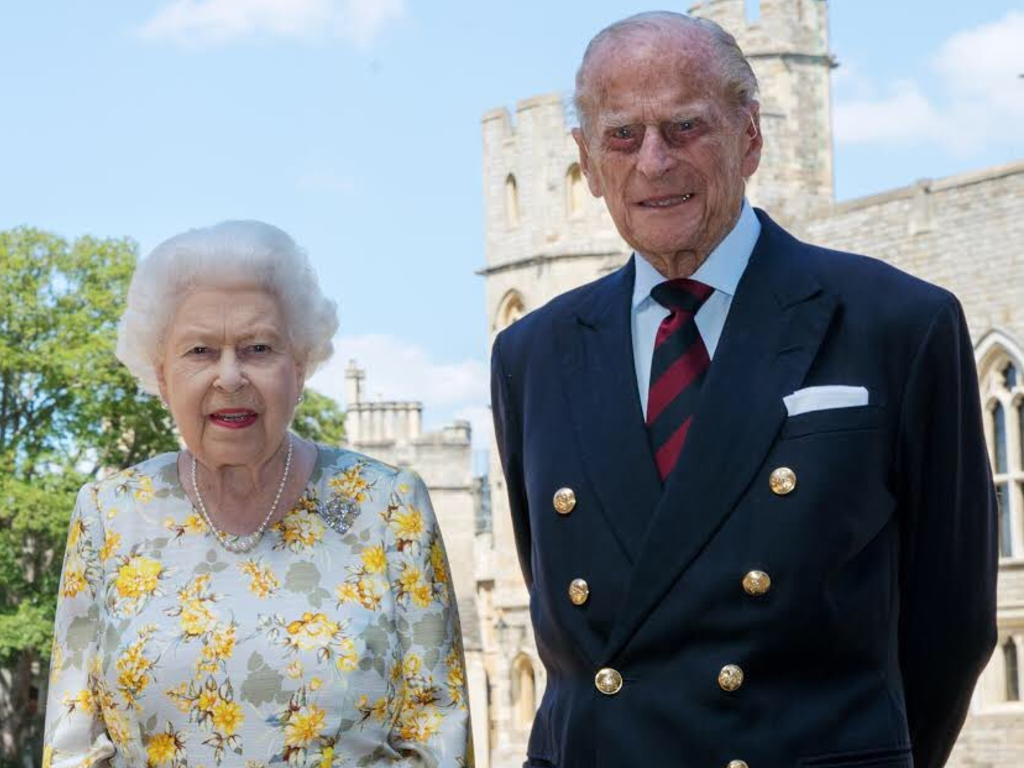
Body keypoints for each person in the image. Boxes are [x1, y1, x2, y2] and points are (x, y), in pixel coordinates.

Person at [490, 12, 997, 768]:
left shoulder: (899, 324)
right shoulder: (531, 353)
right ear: (586, 164)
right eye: (622, 136)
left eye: (685, 126)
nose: (653, 162)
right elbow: (559, 608)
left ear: (750, 137)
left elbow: (952, 621)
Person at [43, 221, 472, 767]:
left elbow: (438, 737)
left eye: (258, 348)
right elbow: (72, 745)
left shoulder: (389, 505)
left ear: (299, 367)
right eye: (200, 350)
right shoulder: (108, 514)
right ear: (162, 376)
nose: (230, 377)